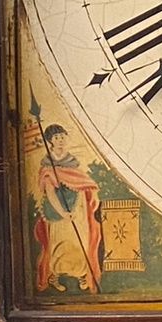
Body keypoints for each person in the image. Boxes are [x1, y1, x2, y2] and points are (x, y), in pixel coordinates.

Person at [33, 123, 103, 293]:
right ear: (50, 141)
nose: (60, 140)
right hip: (58, 212)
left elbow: (81, 184)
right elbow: (50, 191)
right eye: (57, 137)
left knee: (80, 241)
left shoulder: (72, 163)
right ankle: (55, 276)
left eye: (62, 136)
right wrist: (62, 212)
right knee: (60, 243)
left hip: (77, 209)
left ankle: (81, 275)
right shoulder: (47, 166)